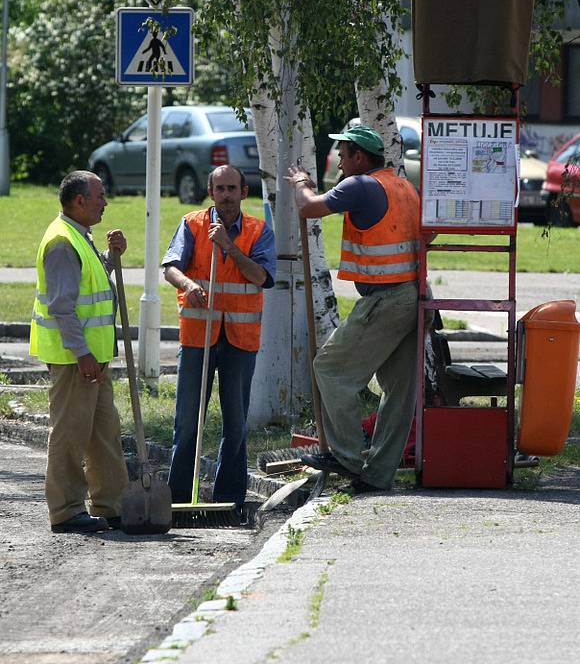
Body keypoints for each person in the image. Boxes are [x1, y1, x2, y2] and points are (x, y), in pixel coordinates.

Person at [287, 125, 420, 493]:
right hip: (413, 296)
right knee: (397, 391)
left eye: (343, 156)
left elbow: (309, 207)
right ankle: (377, 475)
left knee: (329, 368)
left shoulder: (360, 185)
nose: (340, 164)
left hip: (386, 299)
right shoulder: (404, 187)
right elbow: (429, 233)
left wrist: (301, 181)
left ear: (360, 156)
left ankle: (345, 455)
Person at [162, 164, 276, 514]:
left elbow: (261, 277)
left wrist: (230, 247)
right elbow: (170, 267)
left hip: (240, 339)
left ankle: (229, 502)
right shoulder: (192, 224)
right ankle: (177, 502)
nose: (226, 195)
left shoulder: (258, 231)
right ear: (210, 192)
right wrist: (188, 284)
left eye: (232, 188)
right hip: (199, 336)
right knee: (187, 421)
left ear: (244, 192)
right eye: (219, 188)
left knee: (235, 422)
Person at [29, 171, 130, 533]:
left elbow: (91, 282)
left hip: (93, 359)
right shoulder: (61, 243)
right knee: (70, 434)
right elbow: (62, 306)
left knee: (105, 432)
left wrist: (110, 256)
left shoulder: (78, 236)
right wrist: (83, 353)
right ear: (80, 201)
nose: (106, 201)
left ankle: (112, 504)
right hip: (76, 360)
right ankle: (66, 509)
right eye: (100, 195)